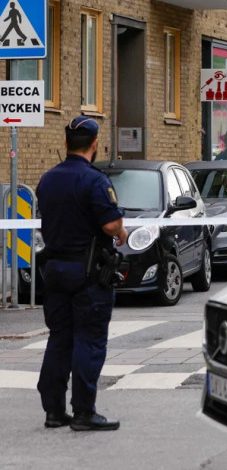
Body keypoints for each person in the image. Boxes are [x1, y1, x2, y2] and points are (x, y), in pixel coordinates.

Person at [36, 117, 128, 431]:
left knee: (59, 339)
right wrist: (121, 231)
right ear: (94, 144)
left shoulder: (48, 179)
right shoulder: (94, 181)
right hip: (88, 273)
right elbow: (111, 224)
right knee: (88, 340)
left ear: (66, 142)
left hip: (54, 270)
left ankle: (53, 410)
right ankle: (84, 413)